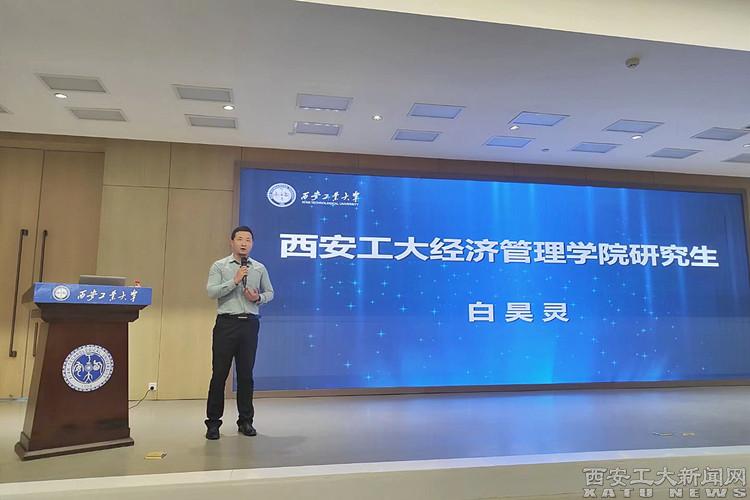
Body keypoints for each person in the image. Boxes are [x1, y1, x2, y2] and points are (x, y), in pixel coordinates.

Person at [204, 225, 274, 440]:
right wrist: (234, 280)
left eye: (248, 240)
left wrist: (258, 298)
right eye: (240, 239)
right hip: (226, 324)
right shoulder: (220, 266)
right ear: (232, 242)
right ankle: (213, 424)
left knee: (246, 375)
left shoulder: (259, 268)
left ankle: (245, 421)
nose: (244, 243)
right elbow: (211, 292)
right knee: (219, 375)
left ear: (252, 244)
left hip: (249, 325)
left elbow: (270, 292)